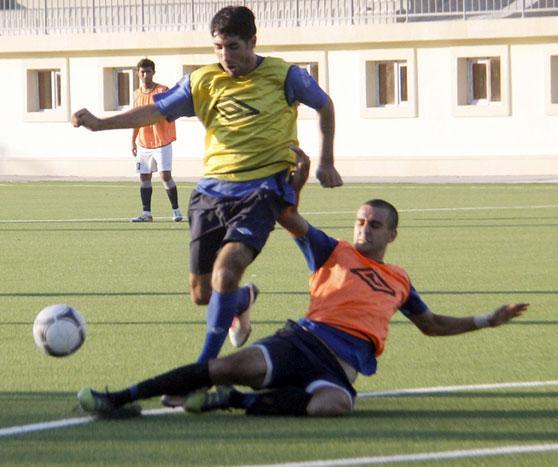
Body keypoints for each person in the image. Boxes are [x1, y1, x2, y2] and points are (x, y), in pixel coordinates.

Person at [77, 149, 528, 418]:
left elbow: (431, 325)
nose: (364, 229)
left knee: (335, 406)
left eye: (375, 225)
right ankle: (121, 397)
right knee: (222, 368)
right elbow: (288, 218)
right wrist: (300, 179)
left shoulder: (399, 280)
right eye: (361, 221)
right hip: (303, 340)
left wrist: (486, 320)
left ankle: (234, 403)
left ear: (392, 235)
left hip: (340, 368)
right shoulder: (333, 250)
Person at [71, 6, 343, 375]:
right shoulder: (202, 80)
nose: (225, 56)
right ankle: (242, 300)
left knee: (226, 272)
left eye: (233, 47)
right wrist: (101, 123)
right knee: (202, 294)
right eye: (218, 47)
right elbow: (155, 112)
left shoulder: (285, 75)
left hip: (263, 188)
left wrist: (326, 161)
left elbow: (325, 106)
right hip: (212, 193)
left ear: (253, 41)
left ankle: (203, 371)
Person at [130, 58, 182, 223]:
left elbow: (172, 110)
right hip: (143, 143)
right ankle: (146, 213)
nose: (145, 75)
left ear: (153, 72)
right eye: (142, 72)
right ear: (138, 73)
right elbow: (136, 118)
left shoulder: (162, 90)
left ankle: (176, 210)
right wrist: (133, 140)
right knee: (144, 177)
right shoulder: (136, 94)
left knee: (165, 176)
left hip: (162, 142)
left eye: (148, 71)